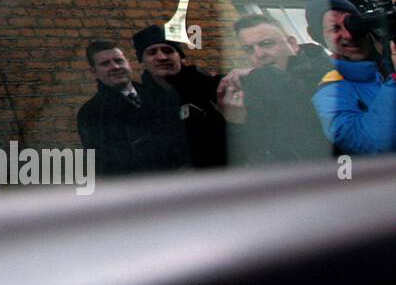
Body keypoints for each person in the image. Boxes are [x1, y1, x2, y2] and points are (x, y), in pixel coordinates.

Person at [215, 14, 333, 165]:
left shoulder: (324, 70)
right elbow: (254, 155)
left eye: (266, 44)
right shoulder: (252, 91)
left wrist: (256, 74)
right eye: (249, 49)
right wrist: (236, 122)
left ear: (293, 44)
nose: (259, 55)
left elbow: (304, 106)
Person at [76, 40, 189, 176]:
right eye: (105, 64)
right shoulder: (91, 113)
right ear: (94, 72)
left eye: (119, 60)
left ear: (128, 63)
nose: (115, 67)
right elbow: (106, 165)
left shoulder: (159, 95)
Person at [306, 0, 396, 155]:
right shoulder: (329, 95)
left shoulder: (387, 64)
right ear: (321, 38)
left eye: (353, 24)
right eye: (335, 28)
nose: (349, 35)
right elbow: (372, 145)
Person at [132, 25, 226, 168]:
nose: (162, 57)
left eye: (168, 51)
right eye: (152, 52)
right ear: (142, 61)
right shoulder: (142, 101)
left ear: (180, 56)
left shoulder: (208, 86)